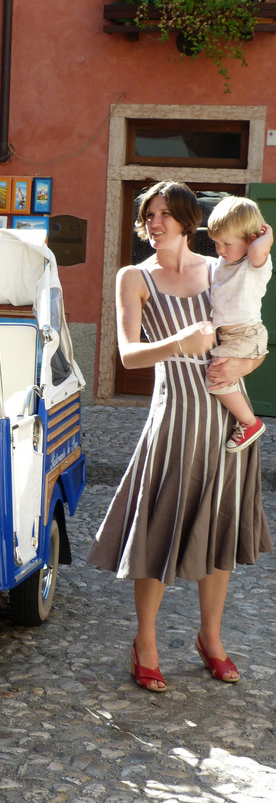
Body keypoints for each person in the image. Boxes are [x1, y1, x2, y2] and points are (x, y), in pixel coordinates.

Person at [87, 180, 272, 691]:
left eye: (164, 213)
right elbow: (128, 355)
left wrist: (250, 358)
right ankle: (144, 642)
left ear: (189, 220)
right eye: (149, 214)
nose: (154, 222)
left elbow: (251, 335)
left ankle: (210, 639)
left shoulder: (221, 269)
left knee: (221, 529)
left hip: (227, 416)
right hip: (173, 419)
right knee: (159, 529)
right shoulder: (134, 277)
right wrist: (177, 342)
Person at [205, 197, 273, 452]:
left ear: (252, 238)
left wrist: (268, 234)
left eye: (227, 243)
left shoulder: (255, 264)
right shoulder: (223, 263)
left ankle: (249, 422)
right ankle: (244, 419)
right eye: (216, 242)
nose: (220, 249)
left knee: (216, 379)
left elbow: (257, 250)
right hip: (232, 336)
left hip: (247, 334)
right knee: (220, 377)